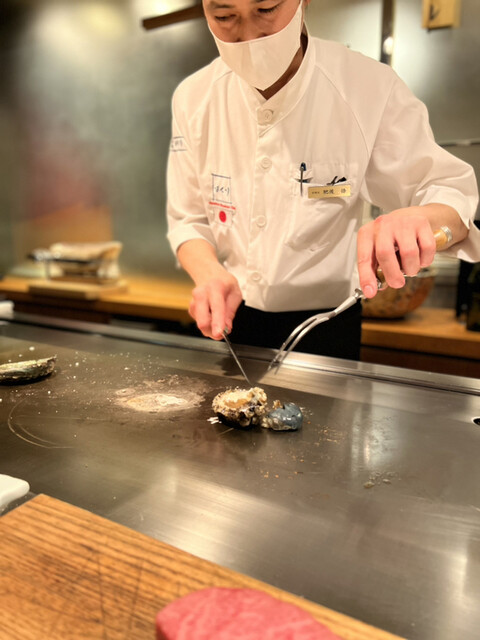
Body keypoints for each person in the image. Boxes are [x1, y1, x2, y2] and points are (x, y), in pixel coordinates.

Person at [166, 0, 480, 360]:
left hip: (329, 324)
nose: (249, 36)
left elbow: (450, 194)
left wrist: (421, 218)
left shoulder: (368, 87)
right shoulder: (194, 96)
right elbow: (188, 218)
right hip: (233, 316)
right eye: (224, 17)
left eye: (266, 9)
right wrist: (209, 274)